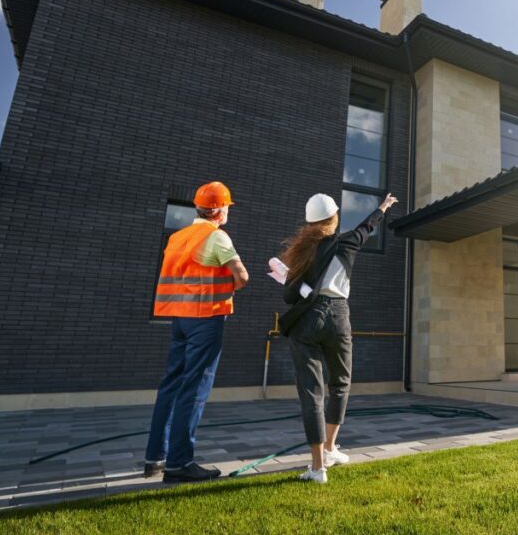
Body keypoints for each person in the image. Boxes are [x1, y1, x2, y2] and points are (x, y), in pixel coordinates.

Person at [279, 191, 398, 484]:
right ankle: (331, 446)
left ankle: (318, 467)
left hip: (306, 321)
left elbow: (288, 296)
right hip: (339, 317)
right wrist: (382, 206)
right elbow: (367, 227)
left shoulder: (301, 252)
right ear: (334, 219)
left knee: (312, 393)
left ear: (309, 223)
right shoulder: (346, 242)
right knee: (340, 384)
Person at [143, 181, 250, 483]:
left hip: (178, 319)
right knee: (195, 388)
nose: (228, 211)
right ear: (218, 210)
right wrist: (227, 288)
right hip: (205, 318)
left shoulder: (178, 236)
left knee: (171, 385)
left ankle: (155, 459)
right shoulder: (217, 238)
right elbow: (242, 276)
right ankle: (180, 463)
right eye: (227, 206)